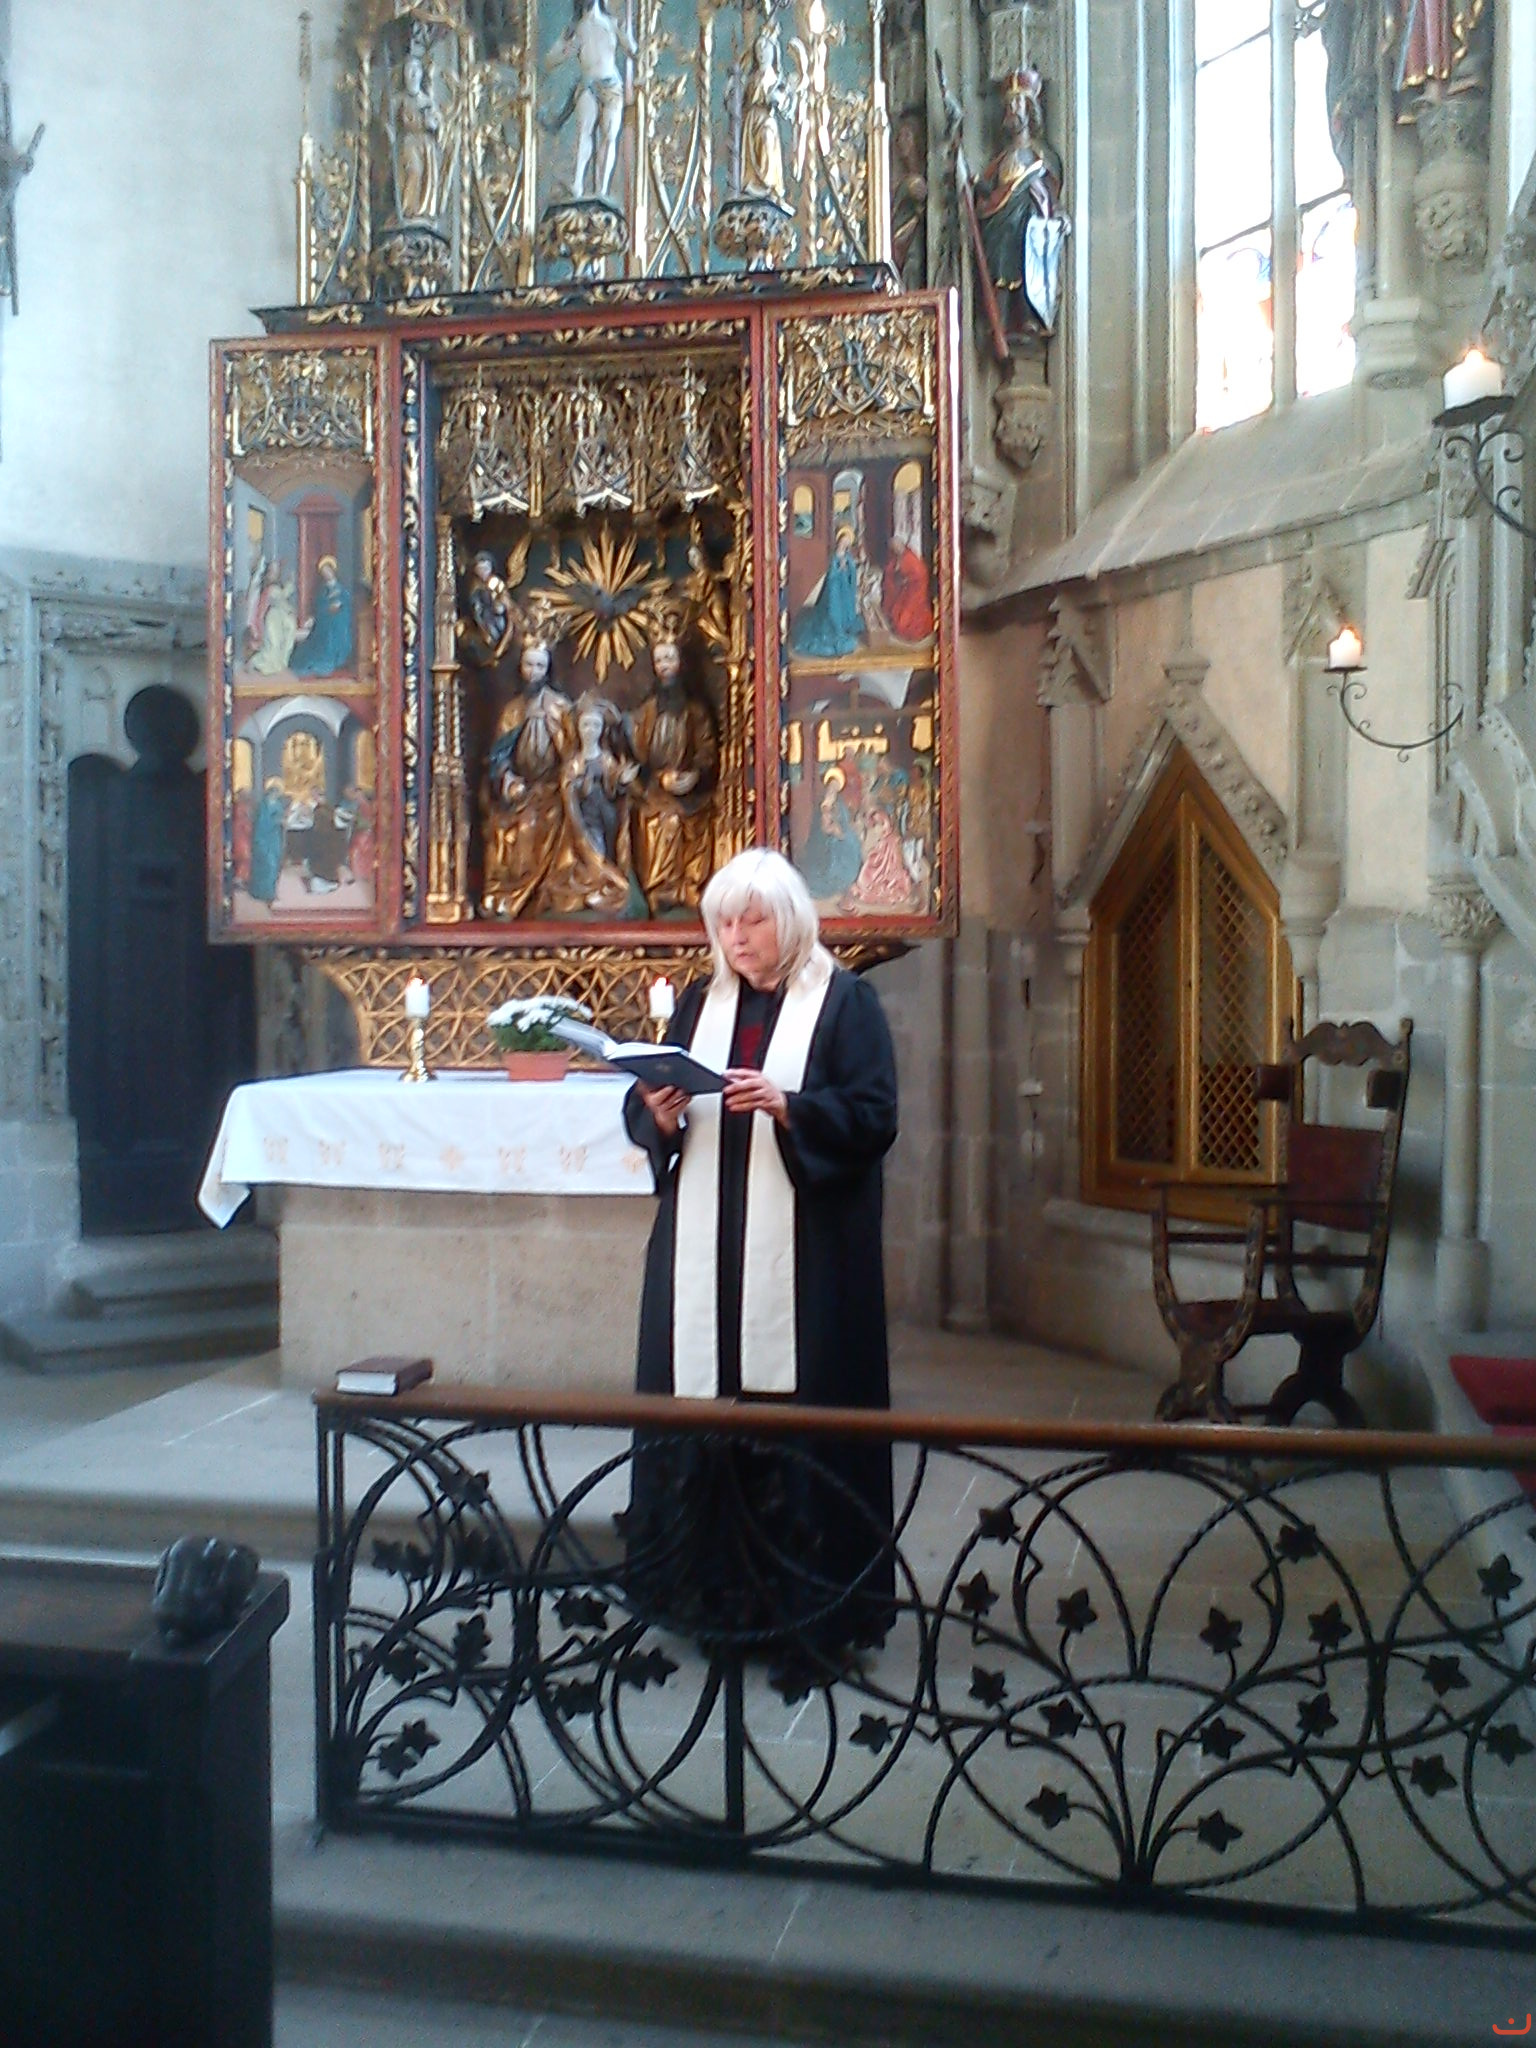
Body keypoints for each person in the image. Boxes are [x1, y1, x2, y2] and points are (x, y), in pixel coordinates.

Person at [622, 848, 900, 1663]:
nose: (737, 937)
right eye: (724, 923)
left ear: (791, 920)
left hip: (808, 1258)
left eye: (753, 920)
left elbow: (875, 1115)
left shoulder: (846, 1003)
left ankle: (812, 1611)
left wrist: (791, 1107)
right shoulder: (701, 1003)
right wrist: (659, 1114)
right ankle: (705, 1596)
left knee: (799, 1418)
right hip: (703, 1254)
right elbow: (645, 1114)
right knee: (702, 1405)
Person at [291, 556, 355, 678]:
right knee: (311, 648)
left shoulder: (342, 589)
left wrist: (338, 608)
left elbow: (346, 605)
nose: (326, 573)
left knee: (333, 631)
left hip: (338, 623)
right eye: (323, 571)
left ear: (333, 571)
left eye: (328, 570)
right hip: (323, 623)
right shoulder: (322, 591)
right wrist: (315, 617)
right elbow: (319, 608)